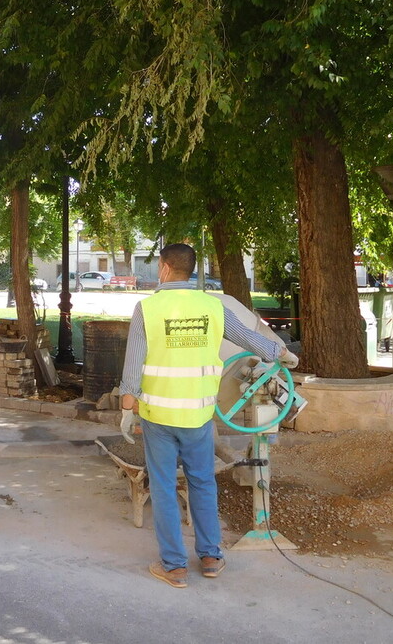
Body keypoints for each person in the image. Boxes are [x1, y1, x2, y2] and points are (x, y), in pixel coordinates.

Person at [119, 243, 298, 587]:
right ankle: (211, 557)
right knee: (203, 482)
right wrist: (282, 353)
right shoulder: (212, 306)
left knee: (164, 487)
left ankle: (173, 567)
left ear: (164, 267)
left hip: (158, 416)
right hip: (199, 415)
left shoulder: (148, 308)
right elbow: (249, 338)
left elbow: (133, 364)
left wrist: (128, 409)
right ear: (190, 270)